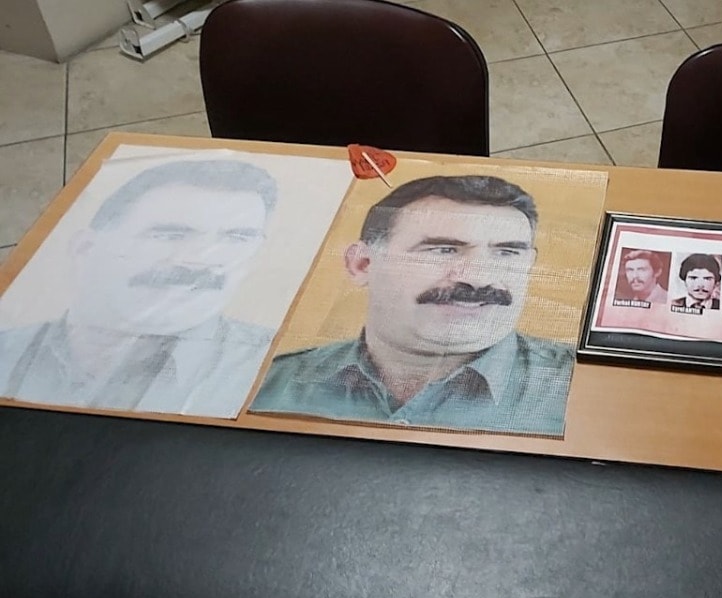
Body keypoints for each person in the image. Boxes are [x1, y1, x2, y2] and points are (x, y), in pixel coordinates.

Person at [251, 175, 574, 435]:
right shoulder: (268, 383)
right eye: (443, 250)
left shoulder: (578, 389)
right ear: (362, 264)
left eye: (507, 253)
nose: (478, 279)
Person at [0, 159, 278, 416]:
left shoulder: (275, 371)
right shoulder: (7, 350)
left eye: (237, 238)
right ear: (85, 250)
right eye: (169, 235)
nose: (199, 261)